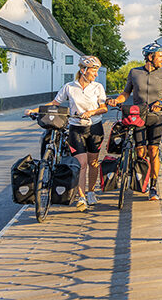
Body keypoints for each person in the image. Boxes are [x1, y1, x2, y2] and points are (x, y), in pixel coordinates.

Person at [26, 55, 107, 211]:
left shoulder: (97, 87)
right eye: (93, 71)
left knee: (93, 162)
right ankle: (82, 197)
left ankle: (91, 192)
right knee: (81, 164)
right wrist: (35, 110)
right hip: (76, 129)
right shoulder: (69, 87)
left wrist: (91, 112)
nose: (96, 75)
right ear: (84, 70)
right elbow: (55, 103)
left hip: (94, 128)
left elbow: (104, 108)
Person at [107, 43, 162, 200]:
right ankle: (140, 179)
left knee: (153, 151)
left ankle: (154, 187)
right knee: (140, 152)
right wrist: (117, 101)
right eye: (160, 56)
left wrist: (161, 103)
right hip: (138, 118)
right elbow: (126, 93)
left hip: (155, 118)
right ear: (150, 57)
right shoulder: (135, 72)